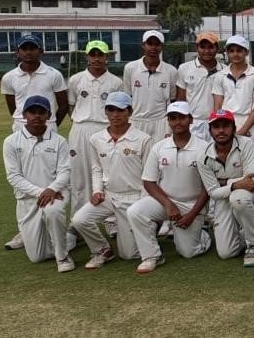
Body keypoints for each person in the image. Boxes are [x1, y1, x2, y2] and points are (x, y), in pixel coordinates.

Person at [0, 33, 69, 251]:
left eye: (33, 48)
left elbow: (63, 104)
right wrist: (26, 124)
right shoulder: (9, 77)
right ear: (18, 51)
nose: (28, 52)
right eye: (24, 48)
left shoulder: (53, 74)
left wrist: (49, 123)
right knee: (24, 183)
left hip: (49, 132)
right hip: (21, 133)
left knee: (51, 181)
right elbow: (14, 108)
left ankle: (57, 228)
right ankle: (26, 229)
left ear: (41, 51)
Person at [126, 101, 212, 274]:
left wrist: (192, 215)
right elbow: (149, 181)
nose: (177, 122)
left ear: (191, 120)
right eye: (173, 118)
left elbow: (208, 187)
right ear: (168, 121)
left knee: (188, 253)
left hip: (192, 206)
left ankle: (204, 235)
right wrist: (167, 204)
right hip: (165, 202)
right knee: (135, 211)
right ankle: (152, 256)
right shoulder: (159, 147)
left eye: (182, 117)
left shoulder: (204, 148)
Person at [70, 91, 152, 269]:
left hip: (134, 197)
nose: (115, 115)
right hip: (109, 196)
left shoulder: (143, 139)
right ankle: (102, 250)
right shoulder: (96, 139)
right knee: (79, 219)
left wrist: (143, 205)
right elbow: (96, 168)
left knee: (129, 255)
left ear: (129, 112)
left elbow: (148, 175)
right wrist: (97, 191)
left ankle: (147, 231)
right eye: (111, 110)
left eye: (120, 110)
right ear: (105, 112)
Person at [2, 95, 73, 272]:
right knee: (37, 257)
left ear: (49, 115)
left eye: (41, 112)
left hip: (56, 195)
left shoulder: (59, 141)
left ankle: (63, 256)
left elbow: (65, 171)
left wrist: (52, 189)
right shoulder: (11, 142)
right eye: (32, 112)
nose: (37, 116)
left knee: (53, 211)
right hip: (27, 199)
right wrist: (41, 191)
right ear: (24, 114)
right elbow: (14, 176)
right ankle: (67, 239)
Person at [66, 40, 124, 217]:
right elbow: (71, 106)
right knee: (79, 175)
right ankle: (78, 220)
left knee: (109, 173)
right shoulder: (75, 80)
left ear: (107, 57)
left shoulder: (116, 82)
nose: (97, 59)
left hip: (105, 129)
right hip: (81, 129)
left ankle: (111, 219)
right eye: (93, 54)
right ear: (87, 57)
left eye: (101, 55)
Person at [197, 109, 254, 267]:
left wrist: (224, 182)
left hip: (250, 193)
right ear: (210, 130)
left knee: (237, 198)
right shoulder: (203, 156)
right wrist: (235, 184)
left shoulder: (246, 144)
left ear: (233, 127)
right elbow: (213, 192)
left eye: (225, 126)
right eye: (216, 126)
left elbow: (252, 181)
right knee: (226, 253)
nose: (221, 131)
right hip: (224, 198)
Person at [211, 35, 254, 149]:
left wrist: (243, 130)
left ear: (246, 52)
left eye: (239, 50)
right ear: (227, 52)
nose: (235, 54)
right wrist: (221, 127)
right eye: (231, 51)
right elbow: (218, 106)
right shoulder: (220, 75)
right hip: (226, 122)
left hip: (248, 123)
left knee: (247, 162)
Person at [123, 29, 177, 141]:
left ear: (162, 46)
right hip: (136, 120)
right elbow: (127, 97)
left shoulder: (171, 71)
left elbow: (172, 99)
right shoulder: (130, 68)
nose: (153, 47)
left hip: (161, 122)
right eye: (150, 43)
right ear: (143, 45)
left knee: (160, 156)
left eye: (157, 44)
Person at [175, 31, 224, 142]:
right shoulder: (184, 68)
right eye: (203, 47)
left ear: (217, 48)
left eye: (210, 47)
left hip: (217, 123)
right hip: (193, 123)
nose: (207, 51)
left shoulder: (225, 70)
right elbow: (181, 100)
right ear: (197, 48)